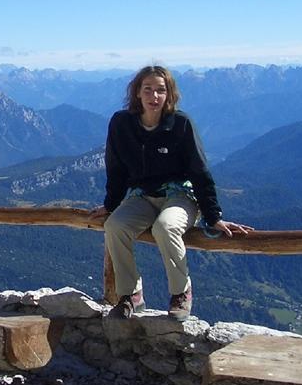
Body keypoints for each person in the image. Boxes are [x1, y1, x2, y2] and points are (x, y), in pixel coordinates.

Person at [89, 65, 252, 321]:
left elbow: (200, 172)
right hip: (142, 196)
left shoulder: (181, 125)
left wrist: (212, 216)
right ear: (137, 94)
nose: (154, 96)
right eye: (148, 90)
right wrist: (111, 205)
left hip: (181, 197)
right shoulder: (121, 124)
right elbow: (116, 169)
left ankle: (181, 292)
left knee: (165, 227)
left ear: (169, 95)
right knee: (115, 226)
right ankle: (131, 295)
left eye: (161, 91)